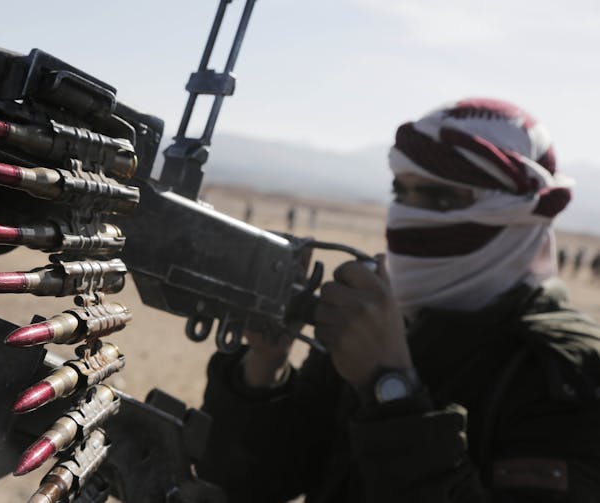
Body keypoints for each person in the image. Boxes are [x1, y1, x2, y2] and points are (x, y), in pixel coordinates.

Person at [198, 98, 600, 502]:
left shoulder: (568, 372)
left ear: (521, 214)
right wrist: (265, 365)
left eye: (440, 198)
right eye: (401, 191)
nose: (407, 215)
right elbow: (254, 481)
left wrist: (390, 391)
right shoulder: (380, 314)